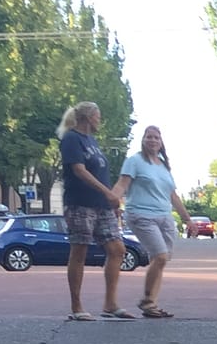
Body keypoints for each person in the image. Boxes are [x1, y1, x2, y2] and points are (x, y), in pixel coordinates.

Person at [113, 125, 192, 318]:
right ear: (143, 140)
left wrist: (187, 219)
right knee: (161, 256)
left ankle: (152, 304)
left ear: (161, 142)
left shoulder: (163, 166)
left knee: (160, 260)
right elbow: (122, 184)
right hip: (141, 215)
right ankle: (147, 300)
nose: (153, 140)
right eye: (149, 137)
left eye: (156, 137)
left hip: (164, 216)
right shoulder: (134, 161)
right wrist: (112, 201)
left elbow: (173, 195)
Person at [57, 102, 126, 319]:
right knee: (80, 251)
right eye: (98, 116)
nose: (100, 120)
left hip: (102, 205)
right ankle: (77, 307)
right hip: (80, 203)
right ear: (87, 117)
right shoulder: (71, 139)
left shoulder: (92, 141)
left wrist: (111, 201)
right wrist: (108, 192)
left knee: (117, 249)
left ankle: (110, 304)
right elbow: (79, 170)